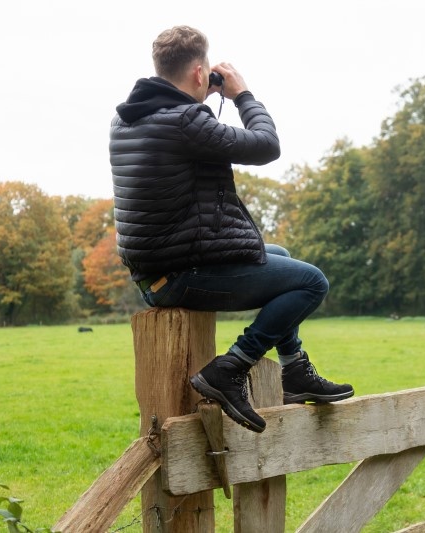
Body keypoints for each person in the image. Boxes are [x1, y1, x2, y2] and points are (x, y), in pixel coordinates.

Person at [109, 25, 353, 433]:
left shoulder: (125, 120)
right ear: (201, 74)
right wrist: (241, 94)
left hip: (157, 271)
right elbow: (265, 145)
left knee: (282, 258)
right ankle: (232, 366)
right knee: (312, 282)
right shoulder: (185, 120)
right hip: (181, 275)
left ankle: (294, 369)